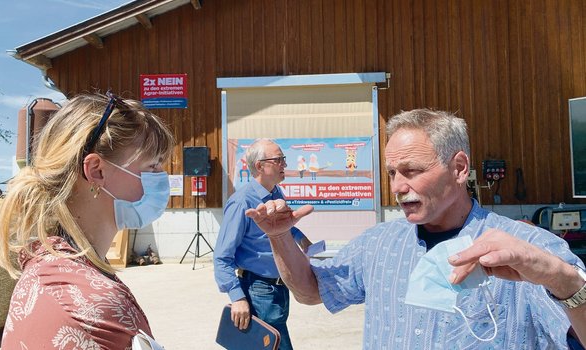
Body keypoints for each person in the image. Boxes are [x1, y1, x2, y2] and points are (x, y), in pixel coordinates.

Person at [246, 109, 586, 349]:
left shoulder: (527, 249)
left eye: (411, 170)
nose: (397, 186)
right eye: (392, 172)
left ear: (459, 168)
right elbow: (311, 291)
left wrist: (564, 281)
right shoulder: (378, 244)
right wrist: (279, 237)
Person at [0, 92, 174, 349]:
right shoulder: (94, 304)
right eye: (153, 166)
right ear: (96, 170)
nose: (162, 177)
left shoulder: (51, 266)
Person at [214, 139, 312, 350]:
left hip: (279, 288)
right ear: (260, 166)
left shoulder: (275, 193)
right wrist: (237, 297)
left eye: (283, 159)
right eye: (279, 160)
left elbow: (282, 227)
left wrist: (302, 240)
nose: (284, 164)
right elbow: (222, 256)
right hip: (258, 290)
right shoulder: (242, 202)